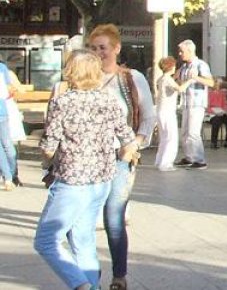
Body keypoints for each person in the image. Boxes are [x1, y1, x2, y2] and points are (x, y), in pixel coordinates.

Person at [34, 50, 139, 290]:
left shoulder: (63, 102)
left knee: (46, 241)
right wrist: (121, 158)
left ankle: (80, 284)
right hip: (102, 180)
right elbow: (128, 139)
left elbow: (49, 146)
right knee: (83, 240)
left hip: (72, 180)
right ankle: (91, 284)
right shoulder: (109, 99)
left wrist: (48, 162)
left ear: (71, 71)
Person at [87, 24, 156, 290]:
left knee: (113, 217)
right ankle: (89, 273)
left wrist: (135, 144)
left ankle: (119, 275)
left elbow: (149, 117)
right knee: (83, 217)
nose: (98, 52)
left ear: (116, 48)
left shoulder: (131, 78)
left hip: (119, 156)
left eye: (102, 47)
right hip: (88, 158)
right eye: (93, 48)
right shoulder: (85, 78)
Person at [175, 39, 214, 170]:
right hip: (186, 102)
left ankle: (200, 160)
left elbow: (211, 82)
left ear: (190, 51)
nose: (180, 54)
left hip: (197, 103)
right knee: (185, 132)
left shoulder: (200, 65)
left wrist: (196, 78)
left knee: (193, 132)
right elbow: (177, 79)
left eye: (182, 51)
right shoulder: (184, 66)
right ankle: (189, 157)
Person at [153, 57, 189, 171]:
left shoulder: (161, 79)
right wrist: (190, 80)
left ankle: (160, 161)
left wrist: (178, 74)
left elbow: (172, 80)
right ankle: (166, 163)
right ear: (171, 67)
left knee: (164, 137)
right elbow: (180, 89)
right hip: (168, 112)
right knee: (171, 138)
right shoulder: (168, 80)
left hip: (160, 111)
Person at [0, 57, 19, 190]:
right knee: (7, 143)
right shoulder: (2, 67)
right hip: (2, 110)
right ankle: (10, 176)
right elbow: (8, 90)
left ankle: (7, 176)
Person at [206, 83, 227, 149]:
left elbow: (224, 105)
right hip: (212, 113)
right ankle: (213, 143)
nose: (218, 86)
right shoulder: (208, 93)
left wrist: (226, 111)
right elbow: (206, 107)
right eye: (217, 84)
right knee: (216, 120)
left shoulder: (222, 93)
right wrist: (214, 112)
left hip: (221, 112)